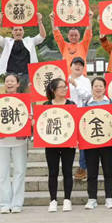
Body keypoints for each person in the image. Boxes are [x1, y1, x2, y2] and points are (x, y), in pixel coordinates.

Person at [0, 73, 28, 214]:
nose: (9, 83)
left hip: (19, 141)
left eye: (12, 81)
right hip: (1, 141)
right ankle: (4, 203)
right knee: (3, 173)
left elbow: (29, 119)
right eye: (7, 81)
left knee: (20, 172)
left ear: (18, 84)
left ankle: (17, 203)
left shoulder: (24, 101)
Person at [43, 78, 76, 212]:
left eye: (65, 87)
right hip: (51, 143)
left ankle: (67, 200)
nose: (64, 89)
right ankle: (53, 200)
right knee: (53, 172)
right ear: (53, 90)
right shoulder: (46, 105)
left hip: (68, 144)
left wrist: (74, 140)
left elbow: (75, 123)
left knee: (67, 171)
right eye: (61, 87)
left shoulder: (71, 104)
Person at [84, 77, 112, 210]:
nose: (98, 88)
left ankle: (110, 198)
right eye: (95, 86)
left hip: (108, 142)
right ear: (92, 88)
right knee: (92, 171)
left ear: (105, 88)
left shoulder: (111, 102)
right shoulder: (86, 103)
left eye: (100, 86)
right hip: (90, 143)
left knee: (109, 170)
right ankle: (92, 198)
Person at [0, 12, 46, 92]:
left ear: (23, 32)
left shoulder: (30, 41)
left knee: (28, 95)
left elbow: (42, 36)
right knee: (12, 96)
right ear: (12, 32)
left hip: (27, 75)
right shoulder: (7, 42)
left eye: (20, 30)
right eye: (16, 30)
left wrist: (40, 22)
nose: (18, 31)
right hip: (11, 74)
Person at [68, 57, 92, 181]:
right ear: (71, 66)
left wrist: (76, 85)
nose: (78, 67)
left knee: (83, 142)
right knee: (69, 142)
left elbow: (87, 96)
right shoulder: (65, 79)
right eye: (75, 64)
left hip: (82, 113)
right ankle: (68, 167)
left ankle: (83, 167)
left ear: (83, 68)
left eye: (80, 65)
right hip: (67, 113)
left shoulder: (85, 80)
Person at [50, 10, 93, 74]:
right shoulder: (64, 45)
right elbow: (57, 35)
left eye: (76, 35)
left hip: (81, 76)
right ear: (68, 36)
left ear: (79, 36)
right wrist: (52, 20)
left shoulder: (83, 45)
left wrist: (90, 19)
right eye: (71, 35)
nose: (73, 37)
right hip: (68, 77)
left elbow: (88, 33)